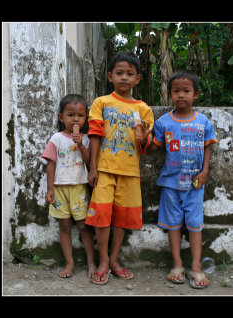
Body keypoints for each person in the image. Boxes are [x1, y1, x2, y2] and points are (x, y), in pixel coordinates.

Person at [85, 51, 154, 285]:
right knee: (102, 217)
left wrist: (144, 137)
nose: (124, 77)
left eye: (130, 74)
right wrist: (92, 168)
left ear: (138, 79)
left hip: (130, 173)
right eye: (119, 73)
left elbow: (145, 143)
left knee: (122, 219)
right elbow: (94, 135)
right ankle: (103, 260)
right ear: (110, 76)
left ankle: (114, 259)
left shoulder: (143, 109)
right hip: (104, 170)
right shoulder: (101, 103)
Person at [148, 70, 218, 289]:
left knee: (195, 226)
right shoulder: (163, 122)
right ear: (169, 94)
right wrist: (142, 135)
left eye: (186, 91)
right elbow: (153, 148)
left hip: (195, 184)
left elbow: (208, 147)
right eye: (176, 91)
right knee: (174, 225)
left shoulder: (203, 122)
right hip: (170, 184)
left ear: (195, 94)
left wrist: (205, 171)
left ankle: (196, 267)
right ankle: (177, 265)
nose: (181, 95)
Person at [42, 94, 96, 279]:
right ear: (61, 117)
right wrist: (50, 189)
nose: (75, 119)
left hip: (79, 188)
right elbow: (51, 164)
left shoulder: (87, 139)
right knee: (64, 226)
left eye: (80, 116)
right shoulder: (56, 138)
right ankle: (69, 262)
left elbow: (89, 162)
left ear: (85, 118)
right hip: (59, 189)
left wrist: (80, 144)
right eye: (70, 115)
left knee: (83, 227)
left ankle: (91, 262)